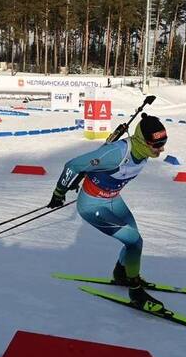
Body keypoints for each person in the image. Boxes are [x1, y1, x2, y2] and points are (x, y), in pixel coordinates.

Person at [47, 114, 169, 312]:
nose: (161, 149)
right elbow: (73, 165)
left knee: (134, 240)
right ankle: (135, 291)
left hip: (112, 199)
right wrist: (59, 191)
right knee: (134, 241)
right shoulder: (117, 153)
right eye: (156, 145)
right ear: (141, 140)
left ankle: (121, 273)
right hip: (92, 206)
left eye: (163, 143)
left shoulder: (144, 150)